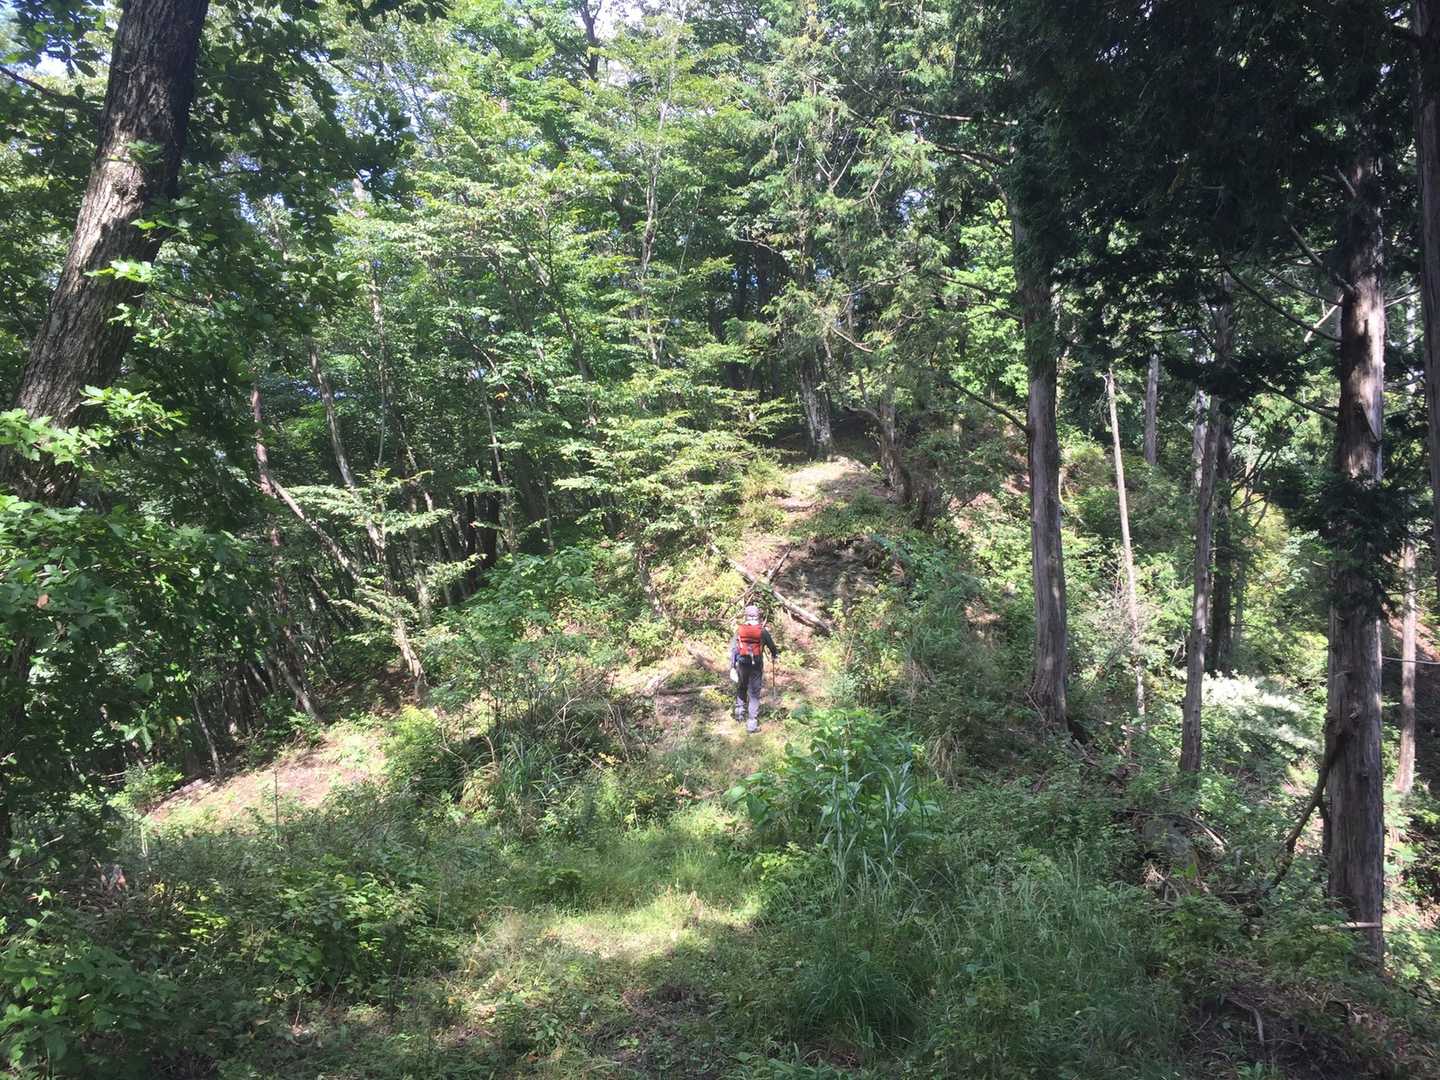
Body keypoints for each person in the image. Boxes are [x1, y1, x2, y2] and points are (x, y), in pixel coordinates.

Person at [729, 604, 780, 733]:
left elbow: (734, 649)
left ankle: (739, 713)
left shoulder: (739, 630)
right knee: (754, 693)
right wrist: (775, 655)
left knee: (742, 686)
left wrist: (732, 666)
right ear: (758, 616)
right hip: (756, 665)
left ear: (746, 616)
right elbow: (772, 646)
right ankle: (752, 724)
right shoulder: (762, 631)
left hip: (742, 663)